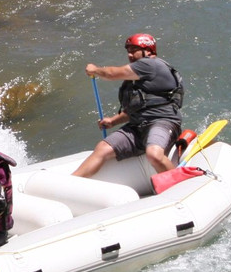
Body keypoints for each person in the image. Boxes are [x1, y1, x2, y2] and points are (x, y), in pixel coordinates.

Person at [72, 32, 184, 178]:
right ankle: (72, 181)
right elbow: (138, 107)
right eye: (128, 51)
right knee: (102, 148)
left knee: (154, 154)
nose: (130, 55)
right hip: (137, 127)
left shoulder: (150, 65)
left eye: (134, 51)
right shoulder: (139, 77)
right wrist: (113, 121)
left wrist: (95, 70)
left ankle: (178, 184)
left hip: (162, 122)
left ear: (149, 51)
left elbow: (112, 74)